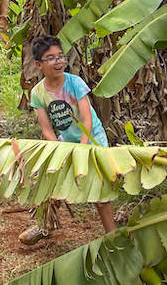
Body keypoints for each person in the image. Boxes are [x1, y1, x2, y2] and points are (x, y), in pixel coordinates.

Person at [19, 35, 117, 245]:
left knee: (100, 191)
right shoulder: (37, 93)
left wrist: (83, 147)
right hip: (66, 140)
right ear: (38, 64)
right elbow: (47, 129)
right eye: (51, 58)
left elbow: (87, 118)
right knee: (55, 183)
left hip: (92, 139)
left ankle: (112, 236)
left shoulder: (75, 83)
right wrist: (58, 152)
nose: (59, 61)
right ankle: (45, 226)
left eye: (60, 56)